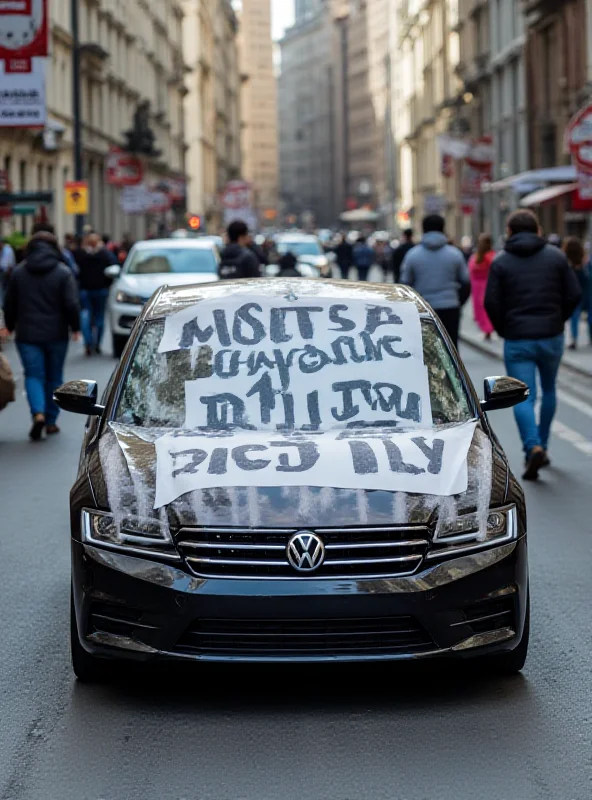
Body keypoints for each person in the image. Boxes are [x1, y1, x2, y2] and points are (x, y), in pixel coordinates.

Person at [485, 210, 581, 480]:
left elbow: (491, 302)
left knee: (521, 394)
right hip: (551, 335)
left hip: (518, 338)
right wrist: (558, 319)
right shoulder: (556, 257)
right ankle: (544, 446)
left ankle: (532, 446)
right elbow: (574, 293)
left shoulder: (501, 261)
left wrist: (504, 328)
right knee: (549, 389)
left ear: (510, 231)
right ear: (538, 230)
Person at [1, 224, 80, 440]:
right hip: (56, 333)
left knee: (33, 375)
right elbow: (71, 304)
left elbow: (9, 303)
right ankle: (52, 420)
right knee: (54, 376)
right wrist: (76, 327)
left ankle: (38, 413)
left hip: (27, 334)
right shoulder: (62, 272)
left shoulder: (19, 272)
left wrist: (9, 324)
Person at [400, 214, 470, 347]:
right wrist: (458, 301)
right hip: (450, 307)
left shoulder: (412, 255)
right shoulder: (455, 254)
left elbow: (405, 284)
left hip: (423, 309)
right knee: (451, 349)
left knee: (425, 350)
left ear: (423, 230)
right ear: (443, 229)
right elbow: (466, 282)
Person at [74, 232, 114, 356]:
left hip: (85, 289)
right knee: (100, 317)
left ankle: (88, 342)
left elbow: (75, 272)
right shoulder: (104, 254)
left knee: (86, 315)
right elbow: (113, 267)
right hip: (101, 289)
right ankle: (97, 344)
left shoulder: (80, 254)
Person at [563, 237, 590, 349]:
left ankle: (574, 339)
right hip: (587, 292)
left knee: (574, 317)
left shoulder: (566, 263)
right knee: (590, 315)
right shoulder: (586, 263)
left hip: (574, 294)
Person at [468, 233, 496, 340]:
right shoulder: (493, 256)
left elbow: (470, 271)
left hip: (477, 286)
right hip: (489, 285)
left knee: (480, 309)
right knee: (488, 308)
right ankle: (488, 330)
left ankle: (486, 330)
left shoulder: (475, 258)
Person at [0, 236, 16, 306]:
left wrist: (9, 270)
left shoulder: (8, 250)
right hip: (2, 270)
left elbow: (11, 261)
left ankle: (4, 303)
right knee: (2, 287)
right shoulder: (2, 249)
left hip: (6, 271)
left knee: (4, 287)